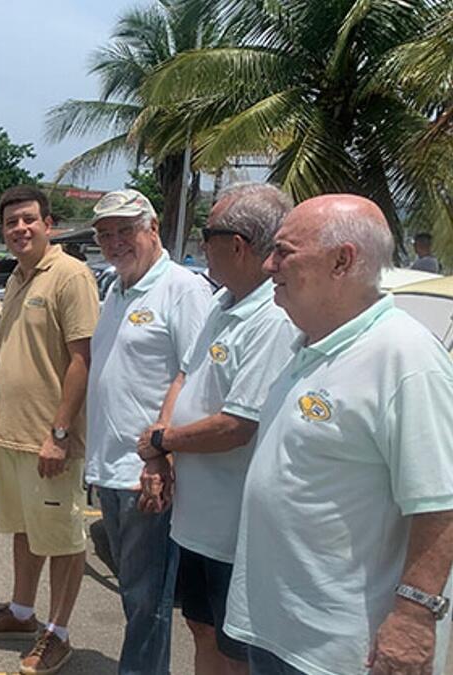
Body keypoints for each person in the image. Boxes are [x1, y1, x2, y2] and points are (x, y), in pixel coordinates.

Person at [225, 195, 453, 675]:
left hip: (339, 651)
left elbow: (440, 504)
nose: (269, 265)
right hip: (275, 629)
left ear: (342, 261)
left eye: (284, 252)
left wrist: (413, 618)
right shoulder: (307, 345)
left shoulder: (406, 359)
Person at [135, 183, 298, 675]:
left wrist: (160, 441)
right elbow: (184, 375)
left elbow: (236, 425)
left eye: (207, 234)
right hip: (196, 522)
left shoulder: (272, 316)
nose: (201, 244)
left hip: (235, 532)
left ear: (238, 244)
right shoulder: (223, 301)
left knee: (238, 652)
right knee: (201, 629)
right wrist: (160, 456)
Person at [0, 186, 99, 675]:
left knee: (62, 539)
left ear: (49, 223)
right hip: (11, 435)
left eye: (28, 220)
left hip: (50, 439)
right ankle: (21, 612)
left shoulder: (70, 276)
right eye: (11, 222)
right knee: (25, 530)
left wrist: (59, 434)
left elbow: (82, 358)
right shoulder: (18, 277)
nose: (19, 229)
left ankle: (57, 632)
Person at [85, 189, 214, 674]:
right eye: (105, 233)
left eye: (125, 230)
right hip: (110, 466)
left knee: (148, 599)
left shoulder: (182, 289)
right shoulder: (115, 288)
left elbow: (195, 375)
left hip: (146, 471)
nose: (115, 241)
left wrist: (163, 458)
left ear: (153, 228)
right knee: (135, 594)